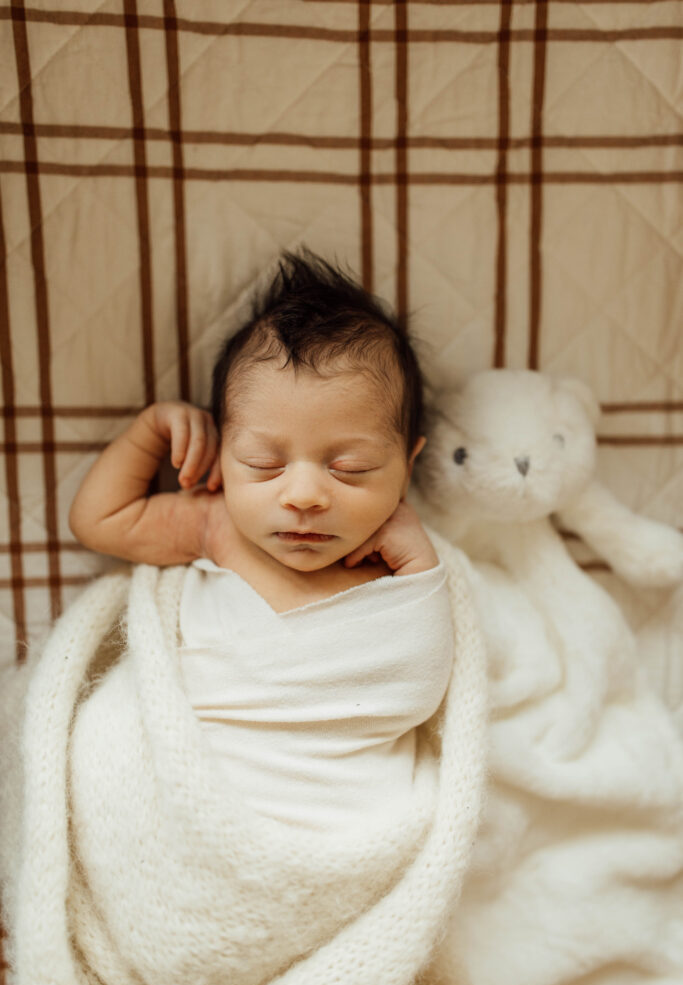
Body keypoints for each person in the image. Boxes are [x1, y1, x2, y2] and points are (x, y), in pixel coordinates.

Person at [68, 250, 454, 835]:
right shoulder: (213, 523)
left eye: (350, 469)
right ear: (223, 453)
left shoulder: (394, 565)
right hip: (201, 798)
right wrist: (150, 432)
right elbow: (99, 520)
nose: (303, 495)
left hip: (347, 816)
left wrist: (423, 570)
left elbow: (418, 692)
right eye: (264, 463)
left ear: (407, 467)